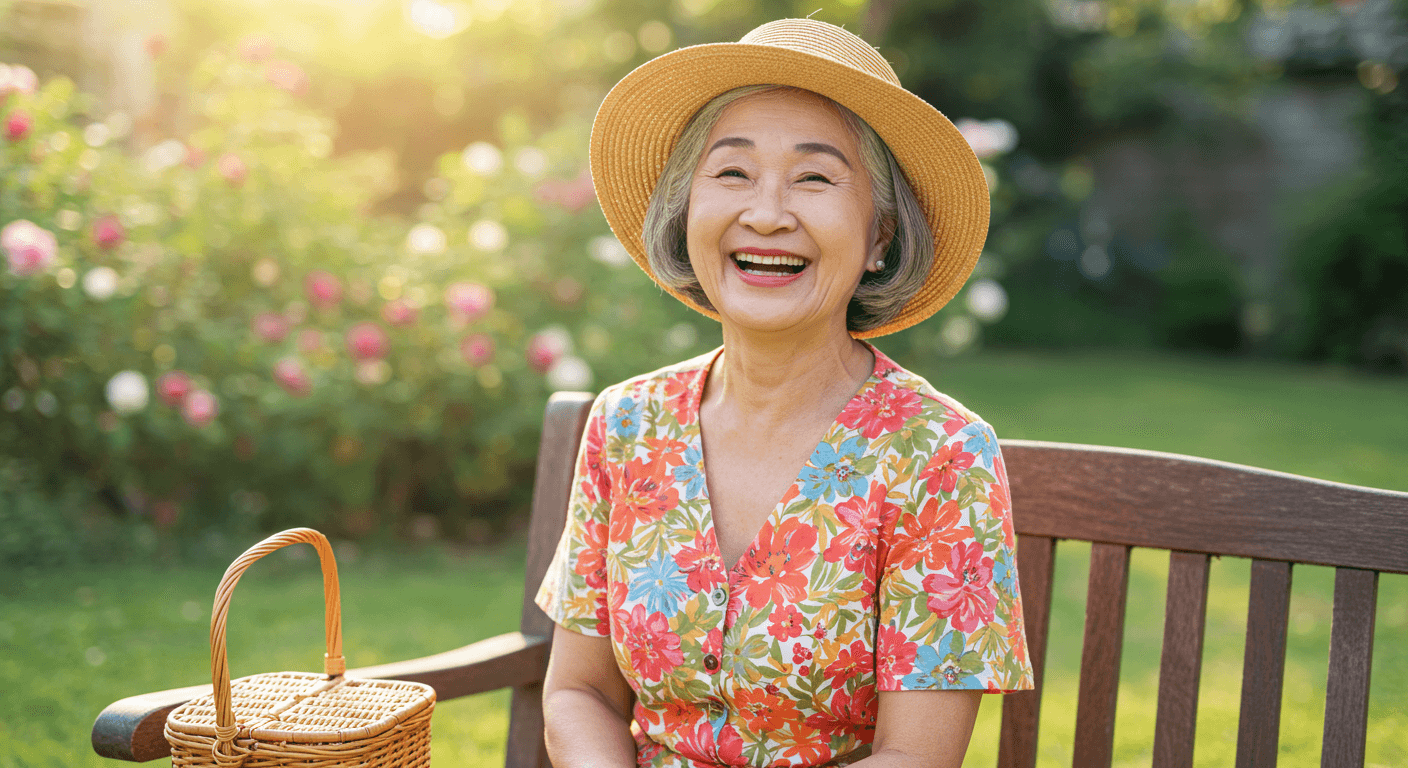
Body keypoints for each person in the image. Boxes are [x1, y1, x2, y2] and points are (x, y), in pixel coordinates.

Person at [534, 18, 1033, 768]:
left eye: (814, 177)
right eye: (731, 174)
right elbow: (580, 694)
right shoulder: (626, 423)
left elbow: (916, 758)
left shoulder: (940, 455)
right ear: (686, 209)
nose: (766, 214)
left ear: (879, 239)